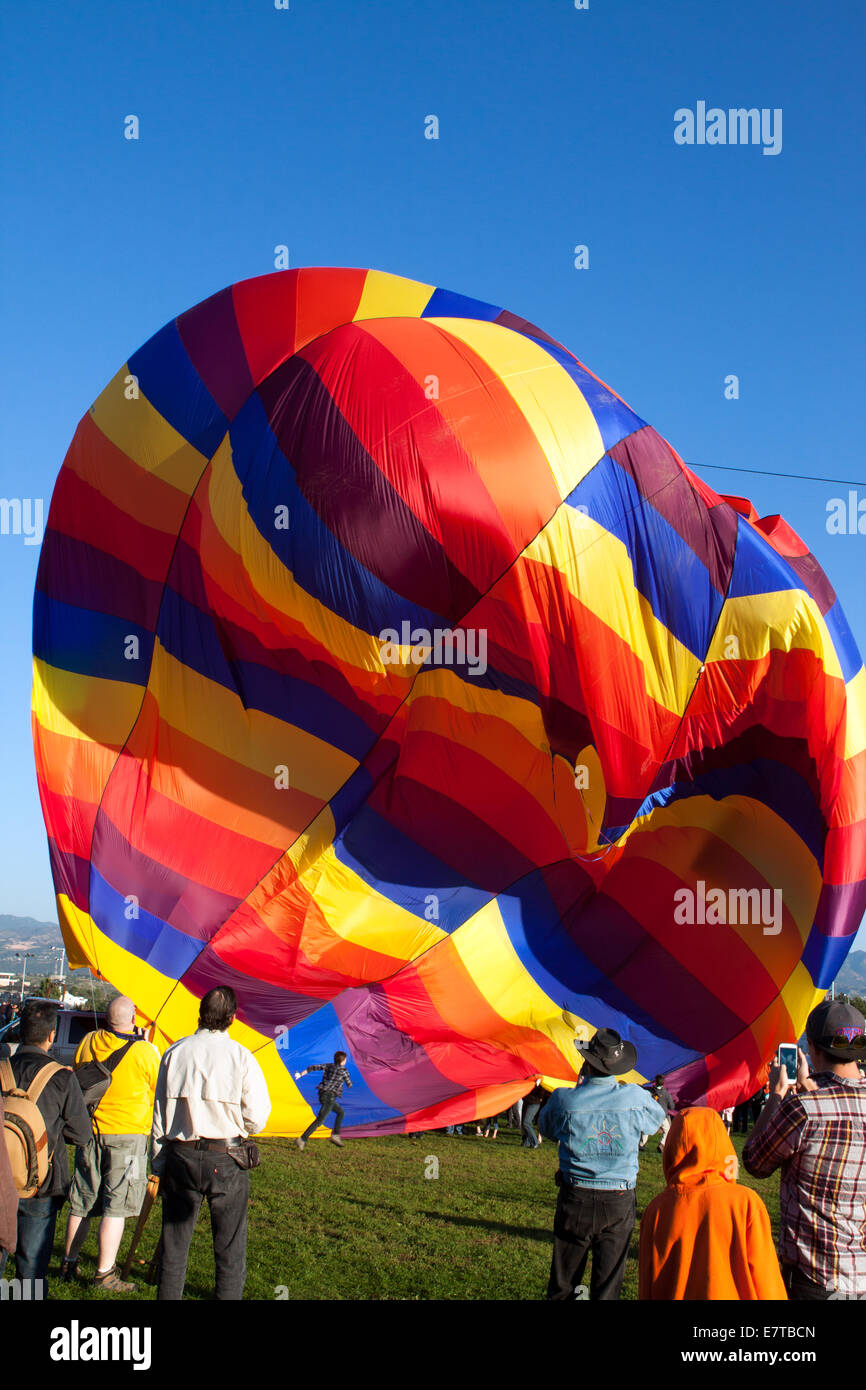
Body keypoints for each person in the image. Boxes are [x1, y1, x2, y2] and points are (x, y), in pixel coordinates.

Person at [151, 985, 271, 1301]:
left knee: (174, 1246)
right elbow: (258, 1118)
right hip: (227, 1158)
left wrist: (157, 1162)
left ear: (200, 1014)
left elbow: (160, 1116)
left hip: (181, 1156)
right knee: (230, 1246)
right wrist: (233, 1123)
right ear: (232, 1018)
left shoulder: (174, 1053)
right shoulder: (242, 1058)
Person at [742, 999, 866, 1300]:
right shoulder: (813, 1105)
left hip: (814, 1276)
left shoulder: (803, 1109)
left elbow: (754, 1162)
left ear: (811, 1047)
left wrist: (776, 1094)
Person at [540, 1027, 666, 1300]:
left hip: (575, 1197)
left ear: (586, 1061)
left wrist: (578, 1090)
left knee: (563, 1285)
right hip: (618, 1200)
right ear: (617, 1067)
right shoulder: (634, 1097)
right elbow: (657, 1122)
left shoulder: (565, 1099)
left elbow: (546, 1128)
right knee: (607, 1287)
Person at [61, 995, 160, 1291]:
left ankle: (69, 1262)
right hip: (128, 1138)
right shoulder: (144, 1052)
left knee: (82, 1200)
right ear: (132, 1020)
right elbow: (158, 1084)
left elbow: (81, 1070)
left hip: (90, 1132)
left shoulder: (89, 1041)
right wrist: (148, 1043)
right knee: (116, 1205)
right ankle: (105, 1273)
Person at [638, 1106, 786, 1300]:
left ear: (672, 1148)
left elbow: (647, 1283)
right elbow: (767, 1280)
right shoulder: (746, 1203)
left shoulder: (656, 1210)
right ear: (722, 1143)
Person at [0, 999, 91, 1294]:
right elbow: (81, 1135)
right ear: (52, 1035)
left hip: (2, 1180)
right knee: (32, 1267)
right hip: (43, 1182)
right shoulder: (62, 1077)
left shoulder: (2, 1070)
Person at [294, 1051, 353, 1149]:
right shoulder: (344, 1071)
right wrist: (346, 1082)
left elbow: (312, 1067)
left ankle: (335, 1135)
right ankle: (302, 1139)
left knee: (340, 1112)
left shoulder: (329, 1066)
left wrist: (300, 1074)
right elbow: (349, 1084)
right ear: (342, 1061)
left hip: (322, 1094)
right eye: (345, 1059)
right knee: (320, 1120)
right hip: (330, 1096)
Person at [639, 1074, 673, 1151]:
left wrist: (637, 1085)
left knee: (646, 1130)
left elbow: (642, 1089)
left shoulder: (649, 1090)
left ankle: (641, 1145)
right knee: (667, 1130)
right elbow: (672, 1107)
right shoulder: (667, 1094)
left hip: (650, 1114)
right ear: (663, 1083)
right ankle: (662, 1144)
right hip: (662, 1116)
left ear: (655, 1082)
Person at [521, 1082, 546, 1149]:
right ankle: (526, 1142)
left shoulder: (539, 1081)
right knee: (523, 1123)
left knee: (526, 1122)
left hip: (534, 1103)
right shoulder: (529, 1079)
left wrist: (541, 1097)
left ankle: (535, 1142)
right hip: (527, 1102)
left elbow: (542, 1091)